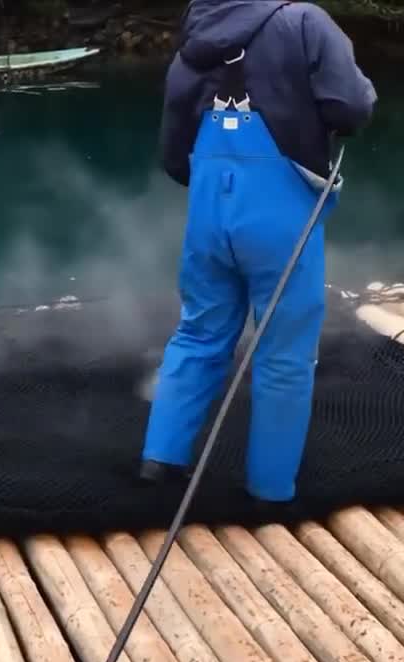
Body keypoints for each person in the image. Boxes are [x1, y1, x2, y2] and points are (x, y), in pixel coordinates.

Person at [139, 0, 377, 501]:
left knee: (199, 330)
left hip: (209, 209)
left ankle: (161, 458)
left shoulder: (196, 33)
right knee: (284, 350)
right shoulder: (305, 21)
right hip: (278, 210)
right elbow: (351, 106)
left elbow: (173, 152)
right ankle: (270, 487)